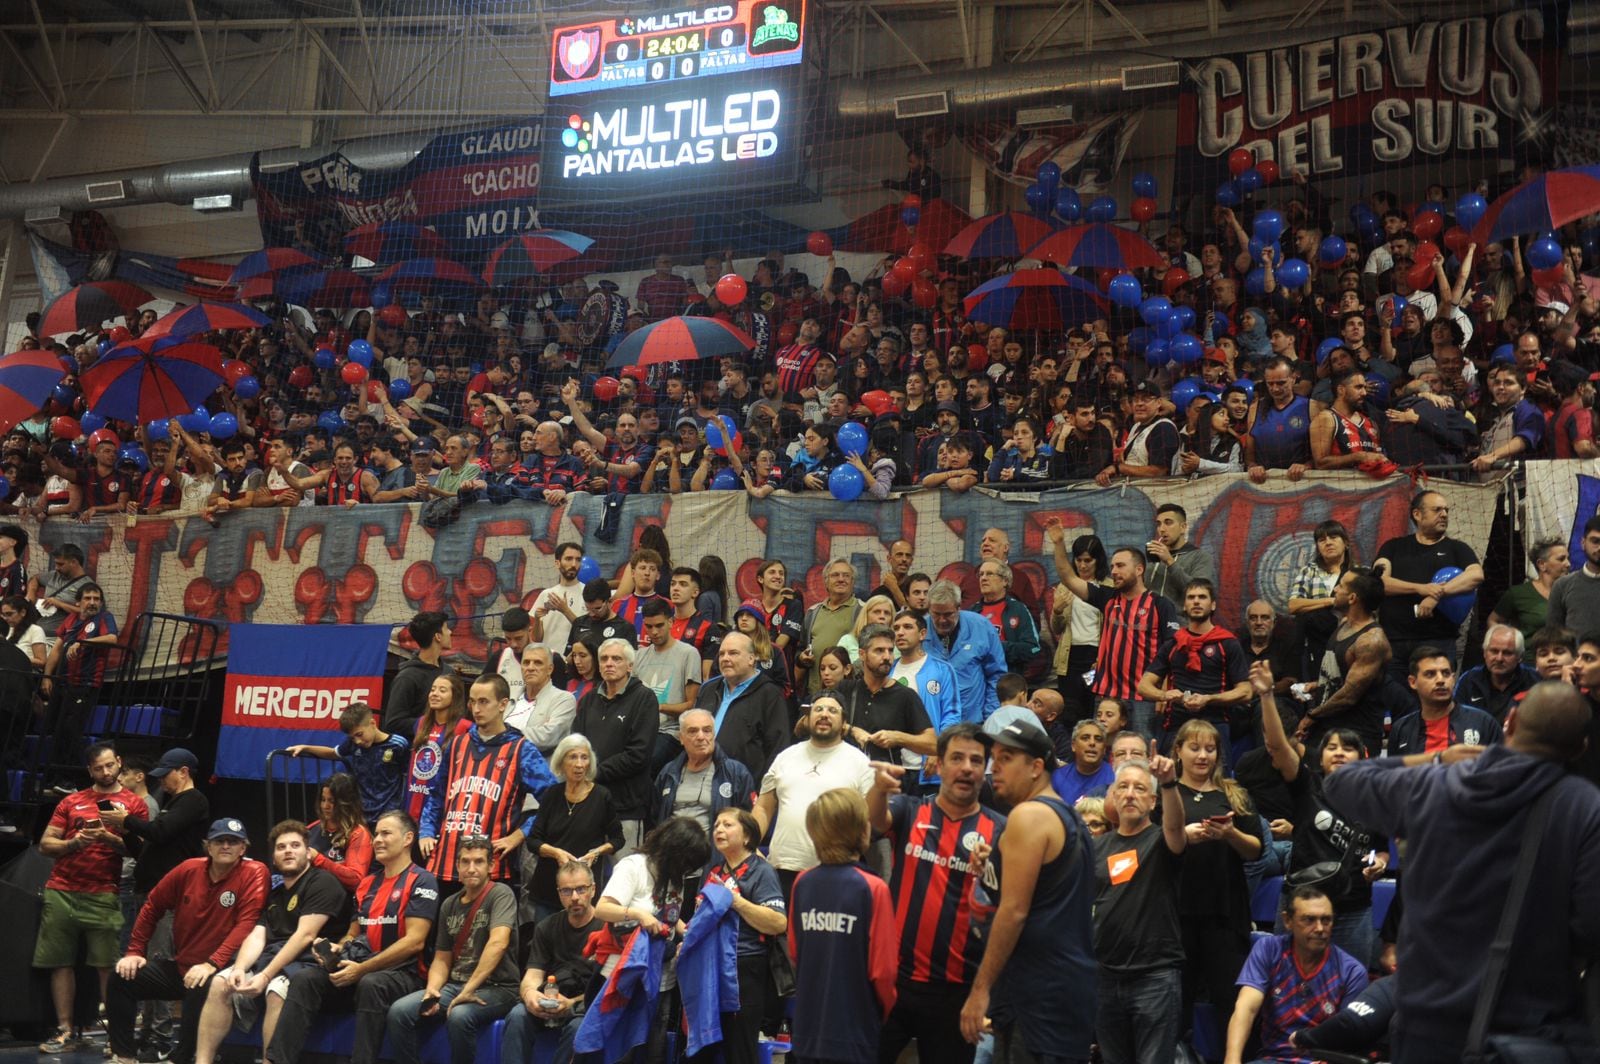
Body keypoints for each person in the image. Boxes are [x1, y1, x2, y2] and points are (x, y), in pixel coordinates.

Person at [1324, 681, 1600, 1062]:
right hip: (1531, 1027)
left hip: (1426, 1025)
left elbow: (1341, 782)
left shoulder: (1432, 784)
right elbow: (1590, 924)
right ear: (1581, 747)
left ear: (1510, 722)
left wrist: (1435, 759)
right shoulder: (1586, 807)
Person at [959, 722, 1095, 1063]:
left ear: (1037, 767)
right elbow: (1048, 889)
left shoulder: (1029, 815)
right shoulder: (1069, 817)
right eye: (993, 758)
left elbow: (1014, 911)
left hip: (1038, 992)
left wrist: (980, 991)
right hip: (1066, 988)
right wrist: (997, 864)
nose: (995, 768)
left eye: (1006, 758)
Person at [867, 723, 1004, 1064]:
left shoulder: (1002, 831)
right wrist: (879, 789)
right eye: (957, 758)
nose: (967, 768)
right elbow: (873, 823)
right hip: (893, 980)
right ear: (939, 765)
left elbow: (1009, 911)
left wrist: (993, 871)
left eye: (976, 760)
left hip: (957, 988)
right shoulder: (911, 810)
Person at [266, 811, 439, 1064]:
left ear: (408, 839)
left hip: (405, 974)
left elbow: (415, 941)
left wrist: (361, 970)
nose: (377, 839)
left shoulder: (422, 880)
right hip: (360, 968)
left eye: (386, 833)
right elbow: (353, 934)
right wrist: (337, 948)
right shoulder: (367, 883)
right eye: (376, 833)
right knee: (305, 979)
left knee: (372, 984)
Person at [1252, 662, 1388, 966]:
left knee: (1349, 991)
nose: (1340, 752)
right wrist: (1266, 697)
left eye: (1348, 748)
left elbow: (1375, 850)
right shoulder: (1307, 785)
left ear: (1362, 757)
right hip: (1302, 904)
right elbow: (1277, 746)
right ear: (1321, 757)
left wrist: (1377, 863)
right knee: (1284, 986)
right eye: (1332, 748)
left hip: (1352, 909)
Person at [108, 818, 270, 1064]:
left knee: (202, 982)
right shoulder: (188, 869)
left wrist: (212, 963)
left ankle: (182, 1058)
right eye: (219, 841)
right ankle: (124, 1056)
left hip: (225, 969)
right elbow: (152, 906)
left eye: (233, 841)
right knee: (122, 978)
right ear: (209, 846)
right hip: (184, 966)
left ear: (243, 848)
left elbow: (245, 925)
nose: (226, 846)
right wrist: (134, 951)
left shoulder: (255, 872)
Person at [191, 820, 353, 1064]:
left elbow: (305, 936)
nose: (288, 851)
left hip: (311, 962)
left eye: (295, 845)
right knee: (220, 982)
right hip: (275, 956)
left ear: (308, 853)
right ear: (274, 858)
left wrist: (264, 975)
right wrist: (240, 968)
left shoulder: (323, 882)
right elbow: (257, 934)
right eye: (281, 847)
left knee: (276, 988)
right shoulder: (274, 892)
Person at [34, 743, 149, 1053]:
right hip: (62, 889)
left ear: (119, 762)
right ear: (90, 770)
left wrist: (107, 838)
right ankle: (65, 1031)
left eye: (110, 765)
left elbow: (139, 849)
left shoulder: (132, 805)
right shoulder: (72, 801)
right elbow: (45, 844)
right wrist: (75, 843)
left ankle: (117, 1037)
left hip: (105, 891)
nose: (106, 772)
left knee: (107, 966)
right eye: (99, 768)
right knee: (60, 962)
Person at [385, 838, 520, 1064]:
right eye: (465, 862)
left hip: (499, 987)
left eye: (478, 862)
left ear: (491, 866)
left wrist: (469, 989)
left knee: (459, 1016)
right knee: (399, 1012)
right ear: (457, 866)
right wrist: (432, 990)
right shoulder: (449, 903)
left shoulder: (501, 894)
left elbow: (498, 943)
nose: (471, 868)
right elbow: (441, 957)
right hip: (456, 986)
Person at [789, 787, 899, 1064]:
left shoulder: (802, 883)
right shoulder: (873, 888)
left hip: (807, 1030)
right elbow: (883, 972)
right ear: (862, 830)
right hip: (855, 1034)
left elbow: (795, 953)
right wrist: (879, 1015)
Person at [419, 674, 557, 892]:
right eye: (472, 702)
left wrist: (519, 835)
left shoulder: (521, 750)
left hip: (493, 870)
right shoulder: (456, 744)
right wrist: (426, 831)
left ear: (503, 704)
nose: (476, 709)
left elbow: (554, 801)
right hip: (445, 863)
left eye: (483, 702)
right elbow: (436, 795)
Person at [1170, 719, 1262, 1041]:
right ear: (1178, 751)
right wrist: (1182, 837)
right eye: (1194, 747)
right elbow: (1152, 844)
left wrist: (1230, 833)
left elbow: (1255, 851)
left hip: (1225, 913)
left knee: (1230, 999)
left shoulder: (1233, 793)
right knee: (1174, 1004)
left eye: (1210, 749)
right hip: (1175, 915)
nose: (1203, 756)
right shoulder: (1166, 793)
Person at [1091, 755, 1187, 1064]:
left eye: (1139, 788)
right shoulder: (1096, 847)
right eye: (1123, 787)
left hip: (1154, 977)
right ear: (1113, 796)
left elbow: (1175, 826)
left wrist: (1170, 783)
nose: (1130, 793)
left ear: (1152, 801)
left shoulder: (1161, 840)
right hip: (1105, 976)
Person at [1048, 518, 1181, 738]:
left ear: (1139, 569)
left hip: (1142, 697)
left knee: (1140, 754)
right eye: (1112, 566)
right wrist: (1059, 544)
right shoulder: (1107, 597)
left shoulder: (1160, 604)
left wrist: (1163, 691)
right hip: (1106, 695)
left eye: (1121, 566)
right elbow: (1068, 577)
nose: (1115, 571)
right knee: (1103, 751)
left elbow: (1172, 650)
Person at [1222, 887, 1369, 1064]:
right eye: (1309, 920)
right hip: (1272, 1059)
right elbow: (1247, 1007)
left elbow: (1348, 1035)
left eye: (1326, 920)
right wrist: (1232, 1060)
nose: (1320, 928)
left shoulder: (1351, 971)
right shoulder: (1269, 950)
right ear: (1287, 920)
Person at [755, 695, 876, 899]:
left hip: (835, 870)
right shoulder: (786, 756)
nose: (824, 714)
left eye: (832, 710)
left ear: (844, 722)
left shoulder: (859, 762)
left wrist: (853, 856)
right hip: (781, 867)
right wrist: (750, 844)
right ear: (807, 718)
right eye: (818, 709)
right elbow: (763, 807)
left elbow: (870, 819)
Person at [696, 807, 788, 1064]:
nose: (718, 830)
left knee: (740, 1048)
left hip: (744, 967)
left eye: (727, 825)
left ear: (747, 837)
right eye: (716, 826)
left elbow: (778, 923)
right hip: (709, 966)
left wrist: (736, 902)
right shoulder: (712, 871)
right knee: (704, 1047)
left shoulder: (762, 872)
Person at [1137, 579, 1252, 761]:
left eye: (1202, 597)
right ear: (1184, 605)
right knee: (1169, 783)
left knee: (1218, 786)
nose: (1196, 602)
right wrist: (1164, 695)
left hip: (1215, 726)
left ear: (1213, 605)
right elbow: (1144, 686)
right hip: (1176, 726)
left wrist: (1209, 699)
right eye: (1191, 598)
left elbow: (1246, 692)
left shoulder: (1227, 643)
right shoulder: (1173, 644)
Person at [1374, 489, 1483, 679]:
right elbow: (1379, 583)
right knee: (1396, 704)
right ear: (1417, 514)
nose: (1444, 514)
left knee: (1437, 700)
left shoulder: (1457, 548)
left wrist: (1436, 595)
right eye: (1437, 510)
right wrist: (1420, 588)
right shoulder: (1393, 547)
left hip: (1438, 643)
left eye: (1446, 510)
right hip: (1394, 644)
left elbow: (1475, 575)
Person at [499, 860, 600, 1064]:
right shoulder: (547, 927)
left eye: (581, 889)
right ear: (558, 892)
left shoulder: (606, 927)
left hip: (585, 1004)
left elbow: (607, 988)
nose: (574, 897)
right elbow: (533, 976)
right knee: (518, 1015)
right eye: (566, 891)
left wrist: (571, 1003)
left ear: (593, 889)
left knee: (577, 1027)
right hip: (551, 999)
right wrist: (530, 995)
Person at [570, 638, 658, 854]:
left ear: (630, 665)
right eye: (604, 659)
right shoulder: (589, 699)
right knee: (587, 876)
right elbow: (575, 743)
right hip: (588, 803)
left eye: (616, 659)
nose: (609, 663)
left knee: (623, 877)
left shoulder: (644, 699)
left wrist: (592, 773)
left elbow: (638, 755)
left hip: (625, 807)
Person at [525, 734, 623, 921]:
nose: (579, 764)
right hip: (549, 885)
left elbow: (618, 839)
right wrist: (556, 853)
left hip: (583, 890)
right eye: (573, 757)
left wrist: (596, 852)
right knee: (545, 942)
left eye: (584, 757)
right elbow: (532, 841)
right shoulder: (552, 795)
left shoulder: (602, 796)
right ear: (561, 762)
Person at [1302, 568, 1392, 757]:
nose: (1335, 590)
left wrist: (1311, 717)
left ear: (1352, 598)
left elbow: (1348, 696)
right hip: (1328, 726)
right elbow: (1344, 677)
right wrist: (1319, 686)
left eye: (1340, 586)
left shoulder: (1371, 640)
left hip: (1357, 736)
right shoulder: (1344, 623)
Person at [286, 702, 410, 825]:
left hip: (389, 816)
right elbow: (333, 753)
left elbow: (409, 778)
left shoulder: (398, 745)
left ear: (373, 723)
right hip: (360, 816)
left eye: (359, 734)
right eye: (352, 737)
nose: (357, 741)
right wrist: (306, 747)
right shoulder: (352, 744)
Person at [836, 622, 936, 770]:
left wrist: (898, 738)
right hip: (848, 778)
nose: (887, 657)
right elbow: (805, 724)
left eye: (890, 650)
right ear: (862, 654)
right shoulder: (845, 689)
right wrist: (852, 730)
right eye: (879, 651)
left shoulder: (905, 696)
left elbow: (933, 744)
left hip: (887, 782)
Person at [692, 631, 790, 782]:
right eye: (722, 653)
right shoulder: (708, 689)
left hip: (742, 786)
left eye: (733, 653)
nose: (725, 658)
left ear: (751, 658)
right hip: (699, 777)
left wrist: (763, 792)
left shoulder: (770, 694)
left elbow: (777, 748)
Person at [1387, 648, 1502, 764]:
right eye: (1430, 674)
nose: (1440, 680)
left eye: (1446, 673)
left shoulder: (1483, 722)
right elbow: (1393, 775)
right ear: (1413, 682)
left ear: (1453, 679)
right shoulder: (1401, 729)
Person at [650, 708, 755, 831]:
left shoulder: (736, 773)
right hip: (670, 847)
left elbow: (748, 820)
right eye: (693, 731)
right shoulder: (668, 772)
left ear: (714, 735)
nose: (701, 736)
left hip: (714, 848)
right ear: (681, 738)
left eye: (707, 730)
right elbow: (655, 816)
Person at [922, 579, 1007, 723]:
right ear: (929, 608)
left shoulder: (982, 627)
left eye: (948, 614)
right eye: (936, 614)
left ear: (959, 607)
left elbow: (997, 675)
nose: (942, 620)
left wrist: (990, 717)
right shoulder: (919, 631)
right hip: (931, 724)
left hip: (972, 723)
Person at [635, 598, 703, 776]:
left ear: (671, 622)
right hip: (640, 730)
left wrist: (658, 707)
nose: (654, 632)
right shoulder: (640, 655)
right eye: (649, 627)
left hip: (670, 732)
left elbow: (691, 706)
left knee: (645, 763)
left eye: (659, 625)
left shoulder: (688, 654)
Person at [1049, 535, 1109, 716]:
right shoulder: (1065, 587)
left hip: (1096, 656)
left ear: (1098, 560)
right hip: (1070, 657)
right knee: (1069, 711)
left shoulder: (1108, 587)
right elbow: (1057, 629)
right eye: (1078, 560)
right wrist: (1057, 611)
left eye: (1088, 560)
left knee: (1095, 708)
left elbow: (1114, 630)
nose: (1083, 565)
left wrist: (1103, 658)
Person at [1286, 520, 1354, 680]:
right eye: (1322, 540)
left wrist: (1313, 604)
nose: (1328, 542)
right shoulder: (1309, 571)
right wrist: (1331, 601)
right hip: (1315, 646)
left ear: (1346, 543)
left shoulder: (1359, 573)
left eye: (1333, 537)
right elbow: (1293, 605)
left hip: (1350, 644)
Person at [406, 672, 472, 821]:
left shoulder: (465, 727)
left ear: (455, 696)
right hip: (412, 799)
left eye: (442, 690)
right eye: (433, 689)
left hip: (440, 806)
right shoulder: (421, 723)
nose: (435, 694)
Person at [1488, 538, 1568, 657]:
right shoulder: (1518, 594)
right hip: (1529, 664)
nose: (1568, 564)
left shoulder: (1571, 592)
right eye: (1561, 559)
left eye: (1567, 558)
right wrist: (1507, 645)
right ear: (1542, 564)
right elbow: (1493, 620)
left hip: (1563, 664)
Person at [1244, 356, 1316, 480]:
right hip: (1264, 484)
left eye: (1281, 383)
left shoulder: (1311, 407)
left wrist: (1307, 466)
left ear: (1293, 378)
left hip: (1301, 483)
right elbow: (1249, 453)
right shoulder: (1255, 408)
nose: (1275, 388)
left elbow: (1321, 453)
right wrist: (1252, 466)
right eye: (1270, 384)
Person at [1453, 624, 1539, 722]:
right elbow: (1456, 720)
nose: (1499, 658)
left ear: (1520, 656)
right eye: (1494, 651)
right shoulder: (1469, 680)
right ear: (1484, 653)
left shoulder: (1535, 682)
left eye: (1507, 653)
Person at [503, 644, 576, 756]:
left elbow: (546, 737)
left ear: (550, 669)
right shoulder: (509, 698)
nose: (530, 668)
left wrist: (502, 733)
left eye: (538, 663)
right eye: (526, 662)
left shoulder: (564, 699)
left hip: (537, 769)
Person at [389, 611, 451, 740]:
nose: (450, 632)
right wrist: (431, 725)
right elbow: (393, 723)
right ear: (438, 637)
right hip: (418, 753)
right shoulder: (406, 678)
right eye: (446, 629)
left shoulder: (449, 672)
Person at [307, 772, 374, 890]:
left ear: (346, 803)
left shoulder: (358, 833)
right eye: (323, 800)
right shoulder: (312, 828)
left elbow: (356, 878)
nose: (325, 806)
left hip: (337, 898)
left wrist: (318, 859)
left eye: (331, 801)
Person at [1144, 504, 1218, 606]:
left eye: (1168, 523)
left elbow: (1199, 592)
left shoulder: (1200, 557)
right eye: (1159, 524)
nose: (1162, 529)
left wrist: (1170, 562)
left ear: (1183, 527)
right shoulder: (1155, 556)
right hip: (1148, 618)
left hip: (1180, 620)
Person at [974, 560, 1042, 671]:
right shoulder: (972, 612)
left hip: (1007, 679)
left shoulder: (1018, 610)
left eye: (990, 574)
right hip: (977, 681)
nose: (983, 578)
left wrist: (998, 647)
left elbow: (1033, 648)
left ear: (1005, 581)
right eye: (981, 574)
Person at [530, 543, 586, 658]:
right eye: (569, 559)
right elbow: (536, 639)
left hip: (575, 661)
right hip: (547, 660)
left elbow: (588, 631)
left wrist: (565, 610)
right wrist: (537, 620)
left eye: (578, 560)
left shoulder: (587, 592)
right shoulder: (546, 594)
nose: (574, 564)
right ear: (557, 563)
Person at [1549, 514, 1600, 637]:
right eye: (1595, 541)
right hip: (1575, 655)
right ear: (1583, 543)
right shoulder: (1562, 586)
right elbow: (1554, 635)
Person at [1051, 719, 1114, 804]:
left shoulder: (1114, 776)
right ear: (1073, 746)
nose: (1092, 743)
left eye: (1098, 739)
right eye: (1085, 738)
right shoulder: (1057, 777)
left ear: (1104, 749)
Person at [490, 607, 534, 703]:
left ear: (530, 631)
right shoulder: (498, 658)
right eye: (508, 639)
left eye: (518, 638)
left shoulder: (551, 658)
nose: (513, 644)